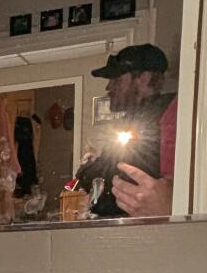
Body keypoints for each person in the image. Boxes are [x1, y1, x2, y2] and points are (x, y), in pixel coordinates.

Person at [76, 44, 178, 219]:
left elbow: (115, 180)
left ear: (144, 79)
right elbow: (95, 176)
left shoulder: (164, 118)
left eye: (116, 80)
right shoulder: (132, 120)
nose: (109, 87)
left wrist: (87, 171)